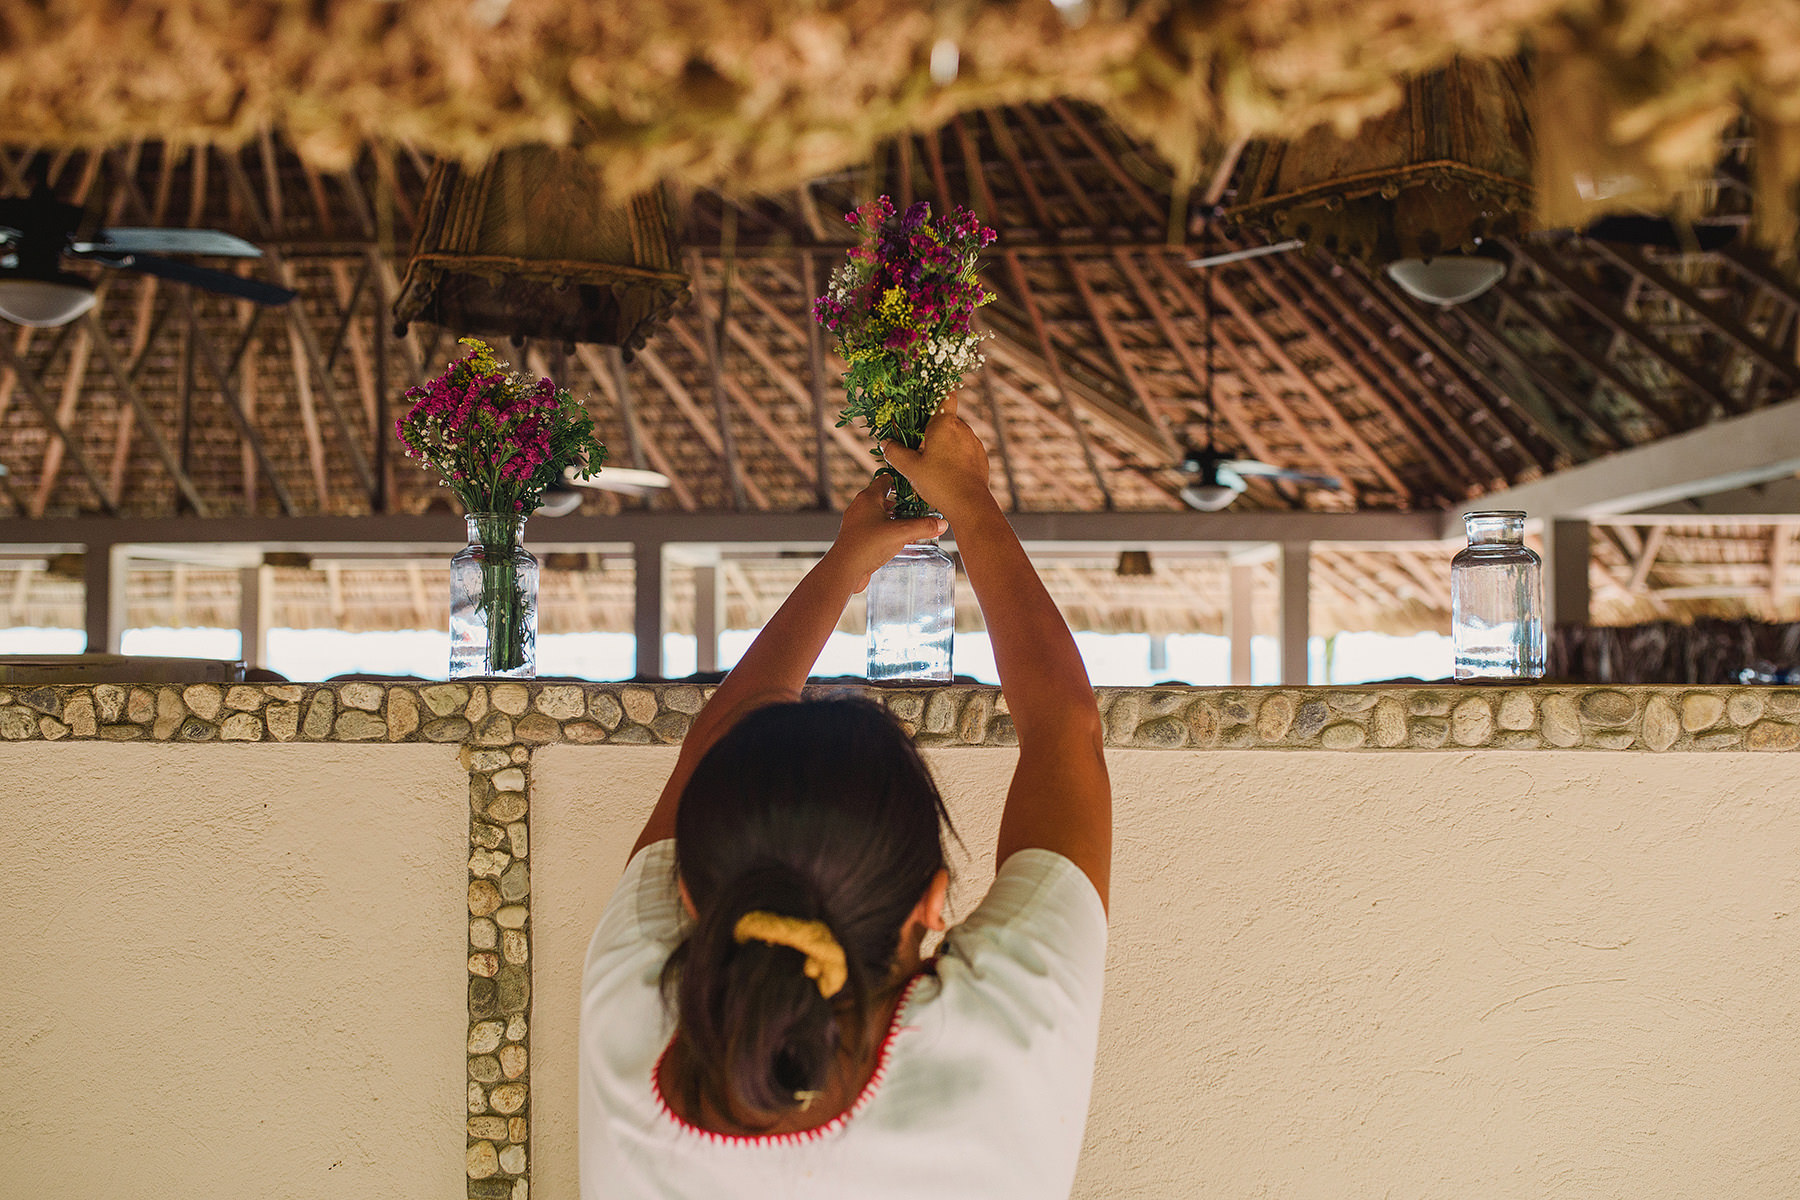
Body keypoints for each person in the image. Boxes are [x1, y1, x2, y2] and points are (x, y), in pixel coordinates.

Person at [579, 396, 1112, 1199]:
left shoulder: (636, 1020)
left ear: (686, 889)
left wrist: (852, 562)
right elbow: (1067, 730)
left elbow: (1064, 729)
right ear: (936, 905)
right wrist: (965, 500)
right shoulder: (1005, 1035)